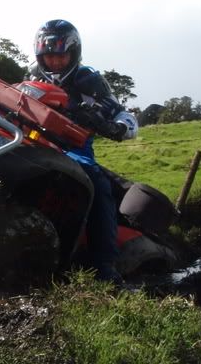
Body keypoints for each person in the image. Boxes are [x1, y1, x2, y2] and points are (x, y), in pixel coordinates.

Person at [28, 19, 138, 283]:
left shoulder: (89, 80)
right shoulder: (31, 77)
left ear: (73, 53)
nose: (54, 63)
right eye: (48, 57)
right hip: (32, 141)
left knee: (96, 184)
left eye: (60, 56)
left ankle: (105, 265)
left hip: (74, 147)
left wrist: (118, 127)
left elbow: (123, 114)